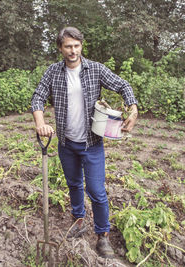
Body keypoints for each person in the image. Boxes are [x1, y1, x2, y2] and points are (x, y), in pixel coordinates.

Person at [31, 26, 138, 258]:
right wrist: (41, 123)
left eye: (77, 46)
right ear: (60, 48)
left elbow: (123, 85)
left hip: (92, 143)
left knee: (97, 191)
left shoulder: (95, 69)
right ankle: (79, 222)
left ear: (82, 46)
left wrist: (133, 109)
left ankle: (103, 235)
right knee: (74, 185)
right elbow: (38, 96)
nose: (73, 51)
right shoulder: (53, 72)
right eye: (68, 46)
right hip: (66, 143)